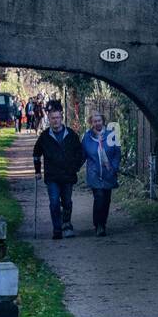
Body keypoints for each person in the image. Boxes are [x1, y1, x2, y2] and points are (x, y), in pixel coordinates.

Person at [33, 99, 83, 239]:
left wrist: (75, 167)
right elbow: (36, 154)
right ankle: (57, 229)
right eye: (52, 118)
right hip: (52, 177)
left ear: (62, 117)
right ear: (48, 118)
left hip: (68, 175)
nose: (55, 121)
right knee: (54, 202)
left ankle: (66, 224)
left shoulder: (71, 135)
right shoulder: (44, 137)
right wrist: (37, 171)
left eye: (57, 118)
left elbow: (80, 153)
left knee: (67, 201)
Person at [82, 111, 121, 237]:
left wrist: (114, 167)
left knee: (107, 199)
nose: (97, 123)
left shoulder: (112, 135)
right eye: (95, 121)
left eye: (99, 120)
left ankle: (103, 223)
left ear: (103, 121)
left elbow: (117, 153)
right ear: (91, 123)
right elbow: (82, 154)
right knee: (99, 197)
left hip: (108, 172)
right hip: (94, 172)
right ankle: (98, 225)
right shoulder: (87, 137)